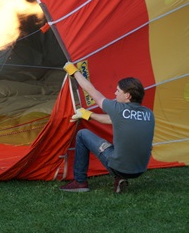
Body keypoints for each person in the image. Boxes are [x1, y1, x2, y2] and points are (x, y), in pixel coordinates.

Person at [60, 62, 155, 193]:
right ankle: (120, 179)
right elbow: (113, 120)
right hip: (140, 170)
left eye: (118, 91)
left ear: (127, 96)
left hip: (120, 167)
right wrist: (88, 115)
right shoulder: (149, 114)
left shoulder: (117, 109)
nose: (115, 93)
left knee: (82, 134)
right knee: (122, 152)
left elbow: (92, 91)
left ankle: (80, 182)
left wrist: (74, 71)